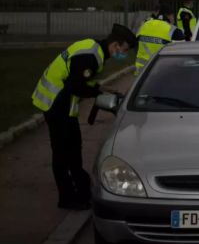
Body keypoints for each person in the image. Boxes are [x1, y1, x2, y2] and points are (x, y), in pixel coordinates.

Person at [31, 23, 137, 209]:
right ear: (115, 45)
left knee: (72, 150)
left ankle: (80, 192)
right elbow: (77, 86)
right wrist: (98, 94)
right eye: (124, 50)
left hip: (60, 103)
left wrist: (99, 87)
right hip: (55, 103)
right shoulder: (91, 57)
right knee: (64, 153)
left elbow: (78, 79)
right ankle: (68, 199)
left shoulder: (93, 48)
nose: (124, 54)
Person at [135, 0, 184, 75]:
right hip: (161, 73)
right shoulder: (172, 29)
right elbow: (181, 43)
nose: (173, 18)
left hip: (141, 74)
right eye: (173, 16)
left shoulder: (145, 24)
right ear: (169, 15)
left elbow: (136, 45)